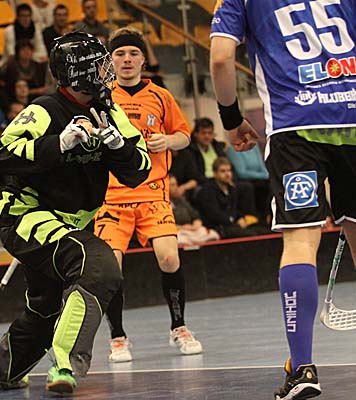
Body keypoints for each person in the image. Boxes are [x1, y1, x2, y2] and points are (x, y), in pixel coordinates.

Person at [0, 31, 151, 394]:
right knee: (99, 266)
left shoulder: (109, 111)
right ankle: (66, 363)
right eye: (99, 66)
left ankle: (1, 366)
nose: (107, 72)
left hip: (73, 224)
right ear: (77, 73)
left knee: (47, 306)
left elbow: (140, 170)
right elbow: (0, 156)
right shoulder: (43, 110)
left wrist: (118, 148)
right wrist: (59, 143)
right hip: (27, 217)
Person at [210, 2, 356, 398]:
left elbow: (221, 59)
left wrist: (231, 119)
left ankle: (303, 368)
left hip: (295, 129)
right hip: (354, 120)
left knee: (300, 243)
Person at [93, 27, 203, 363]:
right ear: (110, 61)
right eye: (120, 54)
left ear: (143, 59)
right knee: (110, 269)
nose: (127, 59)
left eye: (133, 53)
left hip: (153, 194)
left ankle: (179, 327)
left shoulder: (161, 95)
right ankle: (118, 337)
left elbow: (184, 135)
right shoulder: (101, 97)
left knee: (169, 258)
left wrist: (168, 141)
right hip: (112, 199)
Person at [196, 157, 269, 238]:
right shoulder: (207, 191)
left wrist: (241, 218)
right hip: (219, 227)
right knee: (250, 235)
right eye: (223, 171)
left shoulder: (232, 189)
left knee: (265, 231)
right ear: (215, 173)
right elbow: (214, 215)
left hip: (234, 225)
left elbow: (235, 209)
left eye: (229, 170)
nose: (227, 174)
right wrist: (234, 220)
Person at [169, 175, 219, 245]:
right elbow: (166, 226)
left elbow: (195, 216)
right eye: (172, 185)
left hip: (192, 231)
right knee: (180, 240)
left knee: (213, 235)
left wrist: (196, 225)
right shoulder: (162, 204)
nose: (176, 187)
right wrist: (183, 228)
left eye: (176, 184)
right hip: (177, 232)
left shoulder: (181, 200)